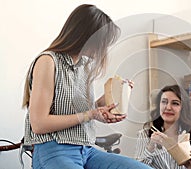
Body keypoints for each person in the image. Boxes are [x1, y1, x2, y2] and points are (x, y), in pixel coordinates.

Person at [22, 4, 152, 169]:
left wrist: (111, 98)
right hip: (53, 149)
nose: (103, 48)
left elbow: (82, 110)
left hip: (86, 150)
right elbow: (39, 124)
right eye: (102, 42)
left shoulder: (84, 66)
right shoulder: (48, 61)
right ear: (85, 36)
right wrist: (91, 114)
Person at [135, 84, 191, 169]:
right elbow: (137, 167)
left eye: (175, 103)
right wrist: (150, 147)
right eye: (164, 102)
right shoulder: (145, 135)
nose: (168, 107)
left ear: (183, 108)